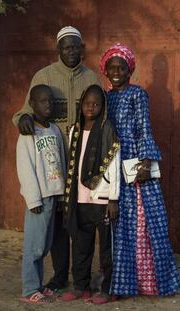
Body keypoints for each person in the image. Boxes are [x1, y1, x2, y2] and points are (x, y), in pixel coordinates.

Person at [12, 26, 101, 295]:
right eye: (66, 47)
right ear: (58, 49)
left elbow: (101, 115)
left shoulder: (91, 78)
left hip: (83, 161)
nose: (71, 51)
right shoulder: (44, 76)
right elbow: (24, 113)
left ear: (82, 48)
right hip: (53, 166)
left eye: (76, 46)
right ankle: (60, 277)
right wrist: (23, 119)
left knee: (80, 221)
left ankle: (80, 278)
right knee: (59, 225)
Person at [99, 43, 180, 296]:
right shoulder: (104, 97)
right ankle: (122, 284)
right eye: (111, 67)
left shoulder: (138, 94)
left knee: (143, 225)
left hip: (135, 168)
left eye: (121, 67)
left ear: (129, 70)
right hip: (112, 167)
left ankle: (150, 284)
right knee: (118, 226)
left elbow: (144, 128)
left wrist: (146, 161)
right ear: (105, 70)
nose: (116, 72)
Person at [60, 85, 120, 304]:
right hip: (80, 199)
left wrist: (113, 198)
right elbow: (73, 167)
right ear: (81, 105)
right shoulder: (75, 131)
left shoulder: (107, 130)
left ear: (103, 106)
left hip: (102, 200)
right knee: (81, 245)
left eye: (96, 103)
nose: (91, 107)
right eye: (87, 103)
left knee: (106, 248)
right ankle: (80, 286)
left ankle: (107, 289)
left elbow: (113, 166)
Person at [16, 85, 66, 304]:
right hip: (39, 198)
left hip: (55, 195)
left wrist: (63, 193)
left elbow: (61, 161)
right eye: (43, 101)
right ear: (32, 105)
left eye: (51, 101)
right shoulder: (28, 134)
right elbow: (25, 168)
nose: (48, 105)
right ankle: (29, 289)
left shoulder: (54, 130)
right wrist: (33, 198)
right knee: (34, 246)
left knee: (45, 245)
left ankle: (38, 284)